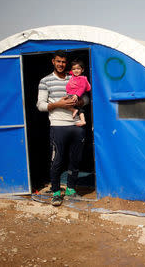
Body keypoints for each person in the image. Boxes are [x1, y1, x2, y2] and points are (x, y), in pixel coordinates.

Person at [37, 51, 88, 206]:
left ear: (67, 64)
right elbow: (40, 105)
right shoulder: (45, 81)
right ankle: (56, 192)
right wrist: (57, 104)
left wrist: (79, 102)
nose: (61, 64)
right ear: (53, 61)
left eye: (64, 62)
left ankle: (71, 189)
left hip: (76, 124)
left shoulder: (74, 78)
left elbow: (86, 98)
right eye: (58, 61)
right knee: (57, 160)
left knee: (76, 159)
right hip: (58, 125)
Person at [66, 59, 91, 127]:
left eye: (78, 69)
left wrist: (77, 95)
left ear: (82, 70)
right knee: (65, 104)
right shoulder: (74, 75)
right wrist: (68, 71)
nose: (76, 70)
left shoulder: (82, 78)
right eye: (74, 69)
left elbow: (82, 88)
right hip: (72, 94)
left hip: (78, 95)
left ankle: (83, 120)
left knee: (79, 108)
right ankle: (74, 110)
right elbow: (71, 72)